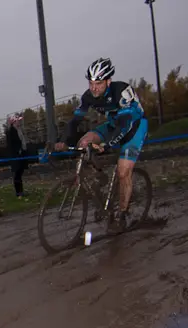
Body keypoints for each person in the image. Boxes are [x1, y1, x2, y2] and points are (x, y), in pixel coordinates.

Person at [54, 57, 148, 233]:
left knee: (123, 172)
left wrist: (106, 145)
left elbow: (124, 124)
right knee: (84, 142)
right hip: (113, 124)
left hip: (134, 126)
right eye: (91, 83)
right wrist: (63, 140)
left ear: (108, 81)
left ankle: (122, 214)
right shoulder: (88, 96)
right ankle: (100, 175)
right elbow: (75, 120)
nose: (93, 88)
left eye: (98, 83)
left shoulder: (122, 91)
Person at [5, 114, 29, 198]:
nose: (20, 121)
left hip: (21, 154)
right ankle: (18, 192)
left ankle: (21, 191)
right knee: (17, 174)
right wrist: (17, 151)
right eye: (18, 120)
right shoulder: (10, 131)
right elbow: (11, 144)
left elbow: (22, 141)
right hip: (16, 156)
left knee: (20, 173)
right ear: (14, 121)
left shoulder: (19, 130)